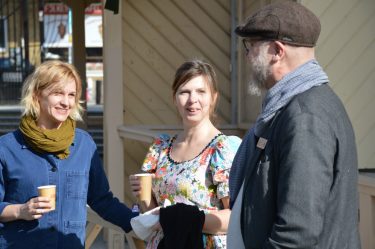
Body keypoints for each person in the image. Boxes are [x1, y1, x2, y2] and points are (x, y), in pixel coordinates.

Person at [227, 1, 361, 249]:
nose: (247, 56)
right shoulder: (294, 106)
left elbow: (297, 233)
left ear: (277, 51)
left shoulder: (304, 116)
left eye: (251, 47)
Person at [0, 60, 137, 249]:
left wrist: (141, 224)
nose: (66, 102)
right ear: (37, 95)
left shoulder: (84, 145)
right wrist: (21, 210)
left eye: (71, 95)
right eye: (58, 93)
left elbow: (102, 200)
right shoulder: (7, 148)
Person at [129, 60, 241, 249]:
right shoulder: (161, 148)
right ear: (174, 98)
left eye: (201, 92)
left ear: (214, 97)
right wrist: (144, 195)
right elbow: (155, 216)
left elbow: (234, 218)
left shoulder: (222, 149)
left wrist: (184, 219)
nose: (192, 100)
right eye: (184, 92)